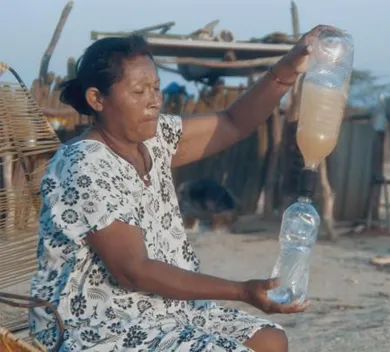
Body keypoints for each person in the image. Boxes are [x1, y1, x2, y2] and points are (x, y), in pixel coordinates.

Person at [29, 24, 330, 352]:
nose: (153, 101)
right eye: (139, 91)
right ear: (97, 99)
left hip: (159, 305)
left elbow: (233, 122)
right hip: (94, 320)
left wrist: (288, 68)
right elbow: (133, 270)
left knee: (271, 340)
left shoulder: (155, 140)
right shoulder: (83, 165)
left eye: (155, 88)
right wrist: (243, 292)